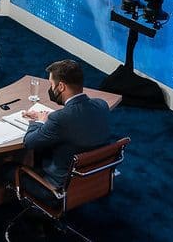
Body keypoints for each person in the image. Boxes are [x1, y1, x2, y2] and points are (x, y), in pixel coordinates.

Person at [12, 60, 110, 200]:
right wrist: (48, 118)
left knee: (7, 169)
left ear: (61, 86)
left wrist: (38, 121)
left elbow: (29, 142)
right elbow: (76, 120)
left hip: (57, 189)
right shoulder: (101, 105)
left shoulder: (60, 119)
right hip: (94, 180)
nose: (51, 89)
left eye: (52, 85)